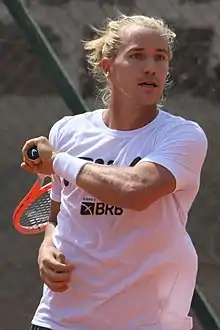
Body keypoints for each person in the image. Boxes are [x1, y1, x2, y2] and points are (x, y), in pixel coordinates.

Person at [21, 13, 208, 330]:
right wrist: (47, 246)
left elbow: (136, 190)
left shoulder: (183, 136)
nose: (151, 67)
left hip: (149, 323)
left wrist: (59, 160)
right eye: (137, 56)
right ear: (108, 66)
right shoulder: (67, 132)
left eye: (160, 58)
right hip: (59, 320)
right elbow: (56, 212)